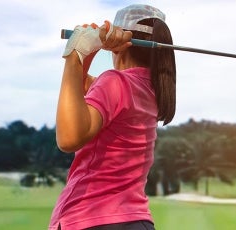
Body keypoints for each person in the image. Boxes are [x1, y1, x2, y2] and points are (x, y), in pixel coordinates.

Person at [49, 4, 176, 230]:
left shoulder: (116, 82)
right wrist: (83, 53)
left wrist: (75, 55)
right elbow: (79, 89)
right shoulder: (149, 90)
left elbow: (68, 138)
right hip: (137, 221)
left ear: (118, 46)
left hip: (92, 217)